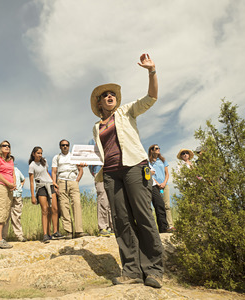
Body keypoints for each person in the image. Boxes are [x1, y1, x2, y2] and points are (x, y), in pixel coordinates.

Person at [90, 53, 164, 288]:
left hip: (134, 167)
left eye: (112, 94)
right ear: (99, 103)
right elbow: (101, 151)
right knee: (121, 221)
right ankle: (131, 271)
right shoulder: (96, 126)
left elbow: (151, 97)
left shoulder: (127, 111)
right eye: (105, 95)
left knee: (143, 216)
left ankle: (153, 270)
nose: (109, 96)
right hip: (111, 174)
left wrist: (151, 71)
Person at [52, 139, 87, 239]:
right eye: (63, 145)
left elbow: (81, 170)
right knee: (64, 206)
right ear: (60, 146)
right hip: (61, 182)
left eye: (67, 145)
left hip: (73, 181)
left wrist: (77, 181)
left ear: (69, 146)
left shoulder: (74, 156)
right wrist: (54, 183)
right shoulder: (57, 157)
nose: (65, 147)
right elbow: (54, 172)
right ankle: (69, 232)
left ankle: (79, 231)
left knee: (77, 204)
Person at [28, 146, 63, 243]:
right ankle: (45, 235)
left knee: (55, 209)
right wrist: (33, 196)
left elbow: (47, 173)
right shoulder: (32, 165)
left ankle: (55, 232)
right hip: (41, 187)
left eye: (41, 153)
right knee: (45, 210)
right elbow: (31, 182)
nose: (40, 155)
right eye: (38, 153)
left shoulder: (44, 162)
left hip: (50, 185)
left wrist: (54, 183)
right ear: (33, 154)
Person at [0, 166, 26, 242]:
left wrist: (21, 186)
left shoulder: (16, 169)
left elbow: (23, 179)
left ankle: (19, 236)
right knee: (5, 216)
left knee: (17, 216)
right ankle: (2, 237)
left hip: (17, 195)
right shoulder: (2, 168)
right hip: (6, 194)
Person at [0, 140, 16, 249]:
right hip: (0, 187)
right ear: (0, 148)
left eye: (8, 146)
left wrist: (13, 184)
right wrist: (9, 184)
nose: (7, 147)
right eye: (4, 145)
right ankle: (0, 241)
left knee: (6, 212)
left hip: (9, 189)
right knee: (1, 212)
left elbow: (13, 173)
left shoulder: (10, 161)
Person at [87, 139, 113, 237]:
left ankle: (113, 226)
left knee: (112, 199)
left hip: (111, 170)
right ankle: (103, 227)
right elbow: (89, 159)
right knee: (102, 198)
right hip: (99, 171)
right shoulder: (92, 142)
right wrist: (94, 172)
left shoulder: (110, 137)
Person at [148, 144, 175, 232]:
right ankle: (162, 227)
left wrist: (164, 183)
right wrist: (157, 183)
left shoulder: (163, 161)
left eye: (159, 148)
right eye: (156, 148)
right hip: (155, 186)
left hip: (164, 184)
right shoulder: (149, 162)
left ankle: (170, 225)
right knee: (159, 205)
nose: (158, 149)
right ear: (151, 150)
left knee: (167, 205)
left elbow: (167, 173)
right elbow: (151, 174)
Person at [150, 165, 170, 233]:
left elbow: (153, 171)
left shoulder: (145, 160)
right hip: (140, 186)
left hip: (152, 185)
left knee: (160, 204)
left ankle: (163, 228)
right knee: (146, 208)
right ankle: (151, 231)